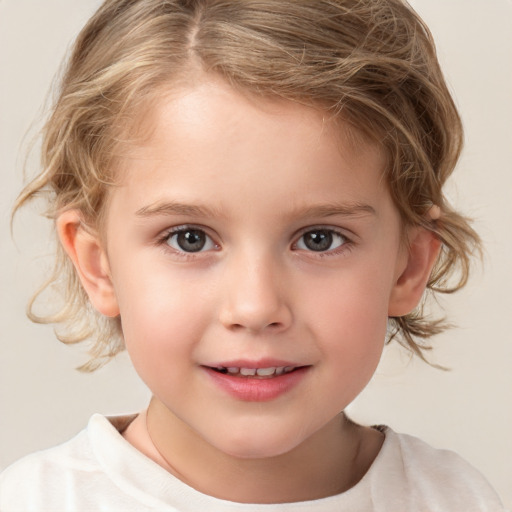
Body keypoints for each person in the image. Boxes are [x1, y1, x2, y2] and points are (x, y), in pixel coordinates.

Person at [0, 0, 506, 510]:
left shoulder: (454, 500)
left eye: (319, 239)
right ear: (97, 264)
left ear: (409, 264)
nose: (255, 307)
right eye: (189, 238)